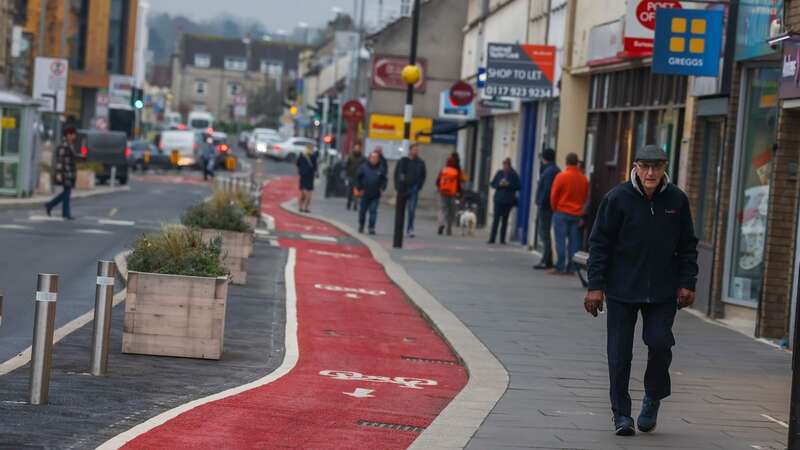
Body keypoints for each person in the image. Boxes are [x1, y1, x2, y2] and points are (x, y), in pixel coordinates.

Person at [585, 145, 698, 437]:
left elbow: (688, 246)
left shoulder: (676, 200)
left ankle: (653, 395)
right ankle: (621, 415)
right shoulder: (617, 198)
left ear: (664, 168)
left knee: (660, 343)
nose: (650, 173)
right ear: (635, 166)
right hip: (622, 289)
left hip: (662, 291)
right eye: (645, 166)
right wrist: (595, 286)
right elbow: (599, 245)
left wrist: (688, 282)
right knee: (619, 354)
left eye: (656, 167)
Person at [549, 152, 589, 274]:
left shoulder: (561, 176)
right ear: (577, 163)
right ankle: (572, 267)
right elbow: (585, 197)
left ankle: (560, 266)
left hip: (561, 212)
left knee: (560, 240)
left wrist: (555, 208)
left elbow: (554, 195)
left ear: (566, 162)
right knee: (574, 242)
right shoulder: (584, 179)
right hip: (576, 214)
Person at [45, 125, 82, 219]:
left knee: (66, 193)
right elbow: (60, 161)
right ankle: (65, 213)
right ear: (68, 135)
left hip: (70, 173)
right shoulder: (63, 146)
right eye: (73, 134)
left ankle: (50, 205)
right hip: (65, 173)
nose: (74, 136)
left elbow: (72, 157)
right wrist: (58, 174)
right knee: (67, 193)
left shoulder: (70, 145)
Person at [533, 148, 561, 269]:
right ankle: (547, 258)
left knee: (544, 233)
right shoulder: (554, 169)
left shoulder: (549, 171)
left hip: (546, 206)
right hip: (549, 205)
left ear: (544, 158)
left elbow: (547, 189)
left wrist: (541, 202)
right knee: (545, 233)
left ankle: (546, 259)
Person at [394, 143, 427, 237]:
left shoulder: (420, 162)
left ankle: (410, 228)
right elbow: (397, 173)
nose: (416, 151)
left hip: (414, 188)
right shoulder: (403, 161)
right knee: (400, 209)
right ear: (410, 150)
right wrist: (397, 186)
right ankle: (399, 228)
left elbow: (423, 175)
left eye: (417, 150)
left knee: (412, 210)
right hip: (403, 188)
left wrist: (419, 186)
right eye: (414, 149)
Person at [488, 158, 521, 244]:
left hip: (508, 201)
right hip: (498, 199)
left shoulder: (514, 175)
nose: (505, 167)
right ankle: (492, 238)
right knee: (496, 219)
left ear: (509, 165)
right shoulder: (499, 173)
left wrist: (508, 184)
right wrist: (499, 184)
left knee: (505, 220)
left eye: (506, 165)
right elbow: (492, 184)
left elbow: (518, 186)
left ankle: (502, 239)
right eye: (504, 165)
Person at [356, 151, 387, 234]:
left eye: (376, 158)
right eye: (372, 158)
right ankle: (361, 225)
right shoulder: (363, 167)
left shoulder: (381, 169)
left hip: (375, 194)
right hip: (364, 193)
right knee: (362, 211)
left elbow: (384, 180)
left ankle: (371, 227)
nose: (374, 159)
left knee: (373, 211)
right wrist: (359, 189)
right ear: (369, 158)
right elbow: (358, 178)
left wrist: (382, 188)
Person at [435, 156, 461, 236]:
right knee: (451, 211)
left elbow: (437, 181)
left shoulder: (443, 170)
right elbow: (458, 184)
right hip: (452, 194)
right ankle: (449, 230)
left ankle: (441, 224)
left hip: (443, 193)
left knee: (442, 209)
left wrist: (440, 188)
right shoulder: (456, 172)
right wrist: (459, 192)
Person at [296, 144, 318, 213]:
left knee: (308, 194)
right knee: (305, 194)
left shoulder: (313, 156)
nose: (311, 150)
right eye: (311, 148)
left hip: (309, 176)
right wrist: (301, 171)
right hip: (305, 176)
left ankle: (305, 208)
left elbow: (315, 166)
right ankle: (302, 207)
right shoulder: (303, 155)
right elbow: (298, 164)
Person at [345, 143, 366, 211]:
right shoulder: (350, 157)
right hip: (351, 176)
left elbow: (364, 167)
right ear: (354, 149)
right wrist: (347, 175)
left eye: (358, 148)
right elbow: (347, 166)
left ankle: (355, 204)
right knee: (349, 191)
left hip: (358, 177)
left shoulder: (363, 158)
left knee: (356, 192)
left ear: (360, 149)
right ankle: (349, 202)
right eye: (355, 148)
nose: (357, 149)